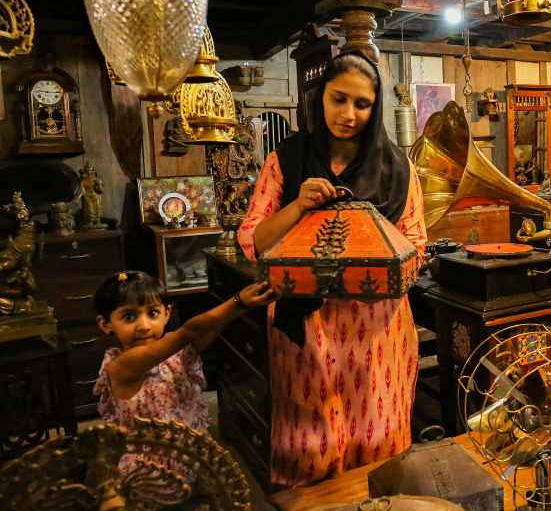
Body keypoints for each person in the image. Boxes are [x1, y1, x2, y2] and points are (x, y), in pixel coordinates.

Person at [237, 52, 427, 486]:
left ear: (375, 107)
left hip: (377, 330)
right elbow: (253, 240)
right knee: (309, 441)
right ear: (318, 98)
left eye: (362, 104)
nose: (349, 115)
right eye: (338, 99)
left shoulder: (398, 167)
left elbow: (415, 243)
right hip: (307, 330)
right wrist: (298, 206)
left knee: (377, 440)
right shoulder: (286, 159)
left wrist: (386, 268)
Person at [93, 270, 278, 483]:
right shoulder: (121, 366)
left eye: (152, 313)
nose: (144, 326)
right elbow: (189, 331)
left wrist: (250, 302)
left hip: (190, 457)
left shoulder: (175, 353)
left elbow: (212, 326)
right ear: (105, 324)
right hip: (150, 473)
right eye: (129, 316)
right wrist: (238, 301)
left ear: (167, 313)